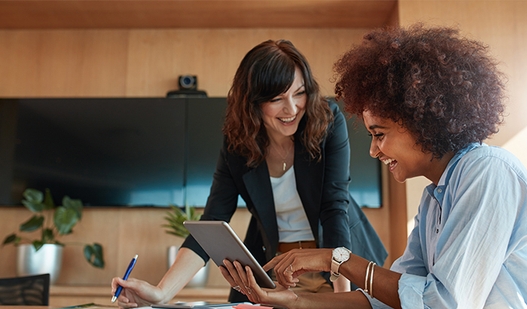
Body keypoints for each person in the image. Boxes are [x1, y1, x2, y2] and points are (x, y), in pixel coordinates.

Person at [220, 24, 527, 308]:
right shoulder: (434, 199)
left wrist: (336, 258)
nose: (374, 150)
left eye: (379, 134)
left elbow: (440, 303)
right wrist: (292, 301)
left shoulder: (487, 173)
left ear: (422, 120)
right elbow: (394, 299)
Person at [111, 39, 387, 307]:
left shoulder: (327, 121)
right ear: (253, 102)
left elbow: (334, 207)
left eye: (299, 92)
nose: (292, 109)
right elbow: (213, 220)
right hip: (279, 272)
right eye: (277, 98)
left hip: (338, 265)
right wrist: (161, 293)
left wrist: (342, 299)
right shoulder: (238, 144)